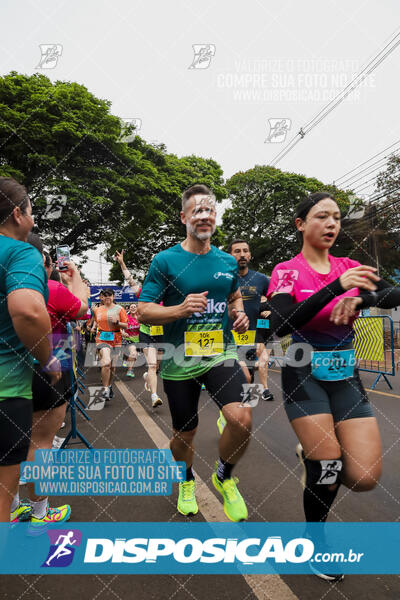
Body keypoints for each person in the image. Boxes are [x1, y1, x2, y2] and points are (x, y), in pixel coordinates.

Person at [267, 191, 400, 582]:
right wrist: (335, 288)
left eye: (337, 218)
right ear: (300, 224)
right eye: (322, 216)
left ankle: (312, 452)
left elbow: (394, 292)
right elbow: (280, 323)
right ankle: (315, 540)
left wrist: (363, 299)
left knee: (362, 478)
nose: (331, 224)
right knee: (327, 465)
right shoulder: (288, 270)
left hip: (346, 375)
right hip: (303, 371)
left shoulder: (351, 265)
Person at [138, 184, 251, 522]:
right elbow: (143, 310)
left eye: (209, 210)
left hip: (219, 351)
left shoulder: (227, 262)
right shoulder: (165, 260)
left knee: (241, 418)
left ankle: (224, 476)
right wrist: (179, 310)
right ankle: (186, 481)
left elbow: (233, 297)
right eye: (196, 211)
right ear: (184, 217)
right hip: (178, 359)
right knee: (183, 434)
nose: (204, 216)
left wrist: (239, 313)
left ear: (215, 217)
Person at [12, 238, 89, 525]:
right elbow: (82, 307)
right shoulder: (50, 289)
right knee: (40, 444)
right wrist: (75, 276)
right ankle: (40, 513)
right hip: (50, 363)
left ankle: (11, 509)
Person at [0, 177, 60, 523]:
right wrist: (47, 357)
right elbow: (27, 309)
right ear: (17, 214)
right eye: (31, 212)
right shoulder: (20, 252)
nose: (33, 220)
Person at [115, 250, 163, 407]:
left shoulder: (169, 295)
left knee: (156, 367)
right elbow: (130, 281)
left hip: (163, 335)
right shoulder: (143, 294)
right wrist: (122, 263)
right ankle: (154, 396)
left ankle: (147, 378)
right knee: (152, 365)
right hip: (146, 334)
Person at [227, 239, 273, 400]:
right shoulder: (224, 278)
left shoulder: (261, 279)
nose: (242, 255)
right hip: (230, 333)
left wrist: (270, 310)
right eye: (237, 251)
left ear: (250, 255)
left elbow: (276, 299)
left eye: (245, 251)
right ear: (230, 255)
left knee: (259, 362)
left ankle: (263, 389)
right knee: (242, 372)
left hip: (255, 331)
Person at [92, 289, 128, 400]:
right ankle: (105, 389)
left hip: (116, 338)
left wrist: (117, 323)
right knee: (106, 363)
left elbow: (126, 325)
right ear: (101, 298)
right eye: (105, 296)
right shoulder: (97, 310)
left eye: (110, 296)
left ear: (113, 297)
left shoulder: (119, 309)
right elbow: (96, 322)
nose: (107, 298)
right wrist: (93, 328)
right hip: (102, 338)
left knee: (113, 366)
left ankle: (109, 385)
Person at [122, 303, 139, 377]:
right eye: (131, 307)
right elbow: (120, 327)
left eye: (134, 307)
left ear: (137, 308)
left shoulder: (139, 318)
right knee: (133, 353)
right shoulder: (126, 318)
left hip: (138, 340)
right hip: (128, 339)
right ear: (129, 309)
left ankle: (125, 359)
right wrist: (123, 332)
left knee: (134, 356)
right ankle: (130, 370)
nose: (133, 308)